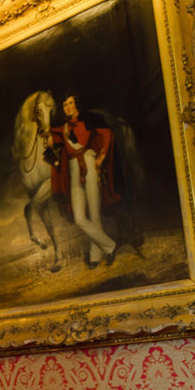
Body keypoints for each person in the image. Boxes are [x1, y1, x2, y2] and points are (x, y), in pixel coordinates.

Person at [49, 93, 119, 267]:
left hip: (89, 163)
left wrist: (101, 157)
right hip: (74, 169)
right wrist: (49, 136)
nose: (67, 107)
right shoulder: (64, 127)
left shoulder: (88, 120)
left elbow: (107, 133)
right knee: (79, 218)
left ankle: (95, 256)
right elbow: (48, 132)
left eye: (70, 103)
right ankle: (110, 246)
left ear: (76, 104)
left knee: (94, 214)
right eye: (65, 105)